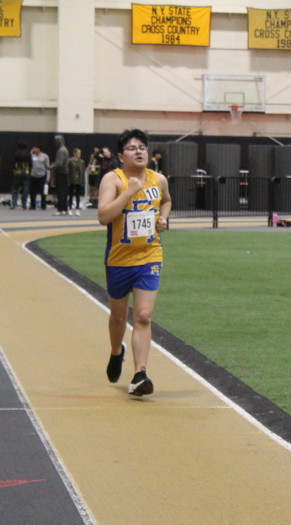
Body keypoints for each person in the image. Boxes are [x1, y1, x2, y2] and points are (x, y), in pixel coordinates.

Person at [98, 128, 171, 397]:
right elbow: (103, 216)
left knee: (142, 316)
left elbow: (167, 201)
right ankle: (117, 351)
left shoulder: (158, 179)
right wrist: (128, 192)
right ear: (121, 156)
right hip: (118, 259)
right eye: (131, 148)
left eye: (142, 147)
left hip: (149, 256)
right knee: (118, 317)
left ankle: (140, 374)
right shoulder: (113, 179)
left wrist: (163, 219)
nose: (138, 151)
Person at [51, 135, 70, 215]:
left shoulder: (61, 151)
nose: (55, 143)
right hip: (64, 173)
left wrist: (52, 166)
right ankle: (64, 209)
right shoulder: (64, 149)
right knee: (64, 192)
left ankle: (60, 209)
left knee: (60, 191)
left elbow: (59, 163)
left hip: (60, 173)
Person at [10, 142, 31, 209]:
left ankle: (13, 203)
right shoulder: (28, 154)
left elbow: (13, 163)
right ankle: (24, 204)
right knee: (25, 188)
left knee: (15, 188)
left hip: (18, 172)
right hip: (26, 172)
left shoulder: (17, 154)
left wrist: (14, 170)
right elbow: (31, 164)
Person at [29, 145, 50, 210]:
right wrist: (31, 153)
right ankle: (32, 205)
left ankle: (43, 205)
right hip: (33, 176)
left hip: (42, 176)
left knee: (43, 192)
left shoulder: (45, 156)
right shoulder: (32, 156)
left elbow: (47, 167)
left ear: (39, 149)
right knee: (32, 192)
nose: (33, 149)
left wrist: (48, 177)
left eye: (35, 148)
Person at [68, 147, 86, 214]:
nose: (79, 154)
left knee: (78, 195)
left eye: (80, 153)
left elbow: (83, 171)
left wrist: (83, 181)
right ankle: (70, 207)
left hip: (79, 180)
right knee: (71, 194)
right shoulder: (70, 161)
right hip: (72, 180)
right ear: (74, 153)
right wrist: (68, 180)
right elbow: (68, 171)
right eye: (78, 153)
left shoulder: (82, 162)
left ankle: (77, 208)